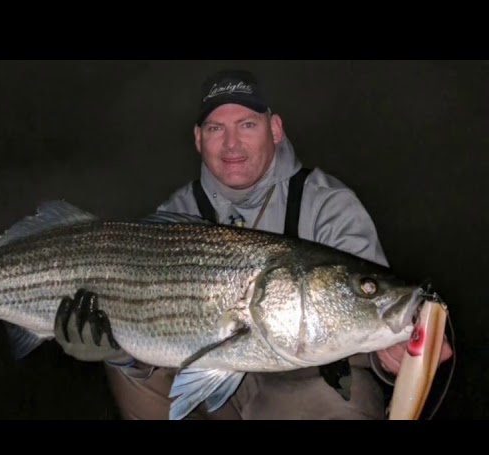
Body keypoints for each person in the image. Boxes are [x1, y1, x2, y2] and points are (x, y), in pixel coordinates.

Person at [56, 69, 453, 420]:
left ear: (275, 129)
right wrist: (121, 353)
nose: (231, 144)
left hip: (305, 388)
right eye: (216, 129)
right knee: (127, 371)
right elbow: (149, 340)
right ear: (198, 139)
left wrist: (393, 355)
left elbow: (359, 326)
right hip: (213, 395)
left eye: (246, 124)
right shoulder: (177, 212)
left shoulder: (328, 204)